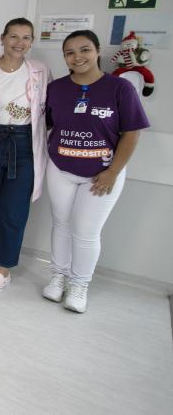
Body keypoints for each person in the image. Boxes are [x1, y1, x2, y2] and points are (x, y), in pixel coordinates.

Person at [42, 30, 148, 313]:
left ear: (98, 51)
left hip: (101, 173)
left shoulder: (120, 88)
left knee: (86, 231)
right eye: (70, 52)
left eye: (84, 49)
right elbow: (51, 125)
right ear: (65, 57)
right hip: (61, 168)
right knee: (61, 224)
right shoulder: (57, 88)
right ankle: (58, 277)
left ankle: (79, 284)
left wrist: (113, 172)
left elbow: (131, 134)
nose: (78, 57)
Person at [0, 18, 51, 293]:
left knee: (14, 207)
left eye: (26, 37)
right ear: (2, 38)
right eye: (14, 36)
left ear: (31, 42)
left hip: (24, 144)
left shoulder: (40, 71)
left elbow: (47, 113)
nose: (20, 43)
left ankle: (4, 268)